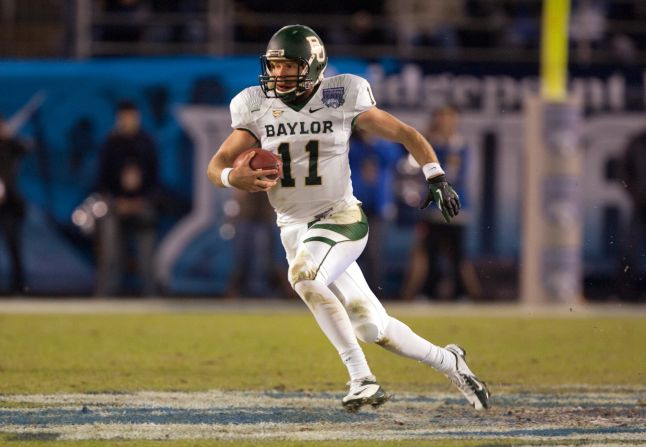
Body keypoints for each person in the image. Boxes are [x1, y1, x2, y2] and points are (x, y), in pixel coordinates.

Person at [206, 25, 490, 412]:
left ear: (313, 65)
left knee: (304, 278)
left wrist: (436, 175)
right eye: (274, 67)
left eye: (289, 66)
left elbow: (406, 134)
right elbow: (217, 164)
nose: (279, 75)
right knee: (372, 326)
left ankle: (361, 379)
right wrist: (230, 177)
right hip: (293, 228)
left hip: (339, 217)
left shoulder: (341, 96)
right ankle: (450, 361)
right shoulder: (255, 105)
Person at [401, 105, 477, 301]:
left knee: (457, 254)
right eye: (442, 117)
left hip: (456, 208)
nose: (445, 122)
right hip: (433, 208)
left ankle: (461, 294)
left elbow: (458, 176)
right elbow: (414, 170)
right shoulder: (429, 144)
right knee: (431, 253)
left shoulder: (461, 145)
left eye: (449, 118)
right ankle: (429, 293)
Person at [95, 100, 160, 296]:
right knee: (110, 256)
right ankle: (104, 298)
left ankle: (152, 298)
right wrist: (117, 200)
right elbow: (101, 178)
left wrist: (141, 200)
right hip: (115, 205)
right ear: (118, 119)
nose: (128, 121)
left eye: (132, 117)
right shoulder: (110, 143)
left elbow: (155, 177)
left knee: (147, 256)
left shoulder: (146, 142)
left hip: (142, 204)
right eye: (124, 117)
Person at [0, 116, 27, 295]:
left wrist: (10, 136)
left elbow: (25, 147)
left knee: (13, 246)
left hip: (9, 206)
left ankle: (19, 286)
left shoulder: (10, 145)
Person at [618, 128, 646, 300]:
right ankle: (626, 295)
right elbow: (624, 172)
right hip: (641, 205)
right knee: (630, 249)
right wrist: (635, 194)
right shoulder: (638, 142)